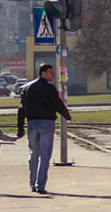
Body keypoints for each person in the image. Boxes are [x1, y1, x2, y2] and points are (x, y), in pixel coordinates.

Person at [17, 63, 72, 194]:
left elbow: (21, 109)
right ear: (42, 73)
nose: (52, 75)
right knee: (45, 156)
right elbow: (57, 104)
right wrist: (67, 115)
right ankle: (40, 185)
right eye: (50, 72)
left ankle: (33, 184)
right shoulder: (50, 89)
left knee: (33, 155)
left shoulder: (27, 88)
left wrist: (20, 127)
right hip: (46, 124)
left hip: (31, 124)